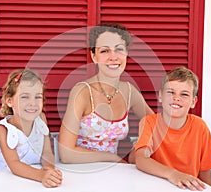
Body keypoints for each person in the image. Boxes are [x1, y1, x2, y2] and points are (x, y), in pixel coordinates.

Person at [58, 23, 154, 164]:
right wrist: (112, 158)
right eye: (105, 51)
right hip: (81, 172)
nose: (113, 57)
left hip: (114, 174)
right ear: (94, 56)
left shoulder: (129, 91)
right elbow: (66, 153)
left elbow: (156, 126)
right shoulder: (83, 92)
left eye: (119, 49)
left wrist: (138, 152)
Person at [135, 66, 211, 191]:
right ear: (160, 96)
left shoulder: (200, 127)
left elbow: (205, 170)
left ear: (193, 101)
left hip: (187, 191)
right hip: (154, 190)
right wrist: (173, 174)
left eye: (184, 94)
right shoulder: (149, 122)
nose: (176, 98)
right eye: (170, 92)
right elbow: (141, 159)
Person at [0, 69, 62, 188]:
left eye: (38, 97)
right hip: (6, 184)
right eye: (25, 97)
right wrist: (41, 175)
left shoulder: (41, 120)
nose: (32, 103)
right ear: (10, 101)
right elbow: (14, 164)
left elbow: (47, 153)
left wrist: (48, 170)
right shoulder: (3, 130)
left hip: (34, 183)